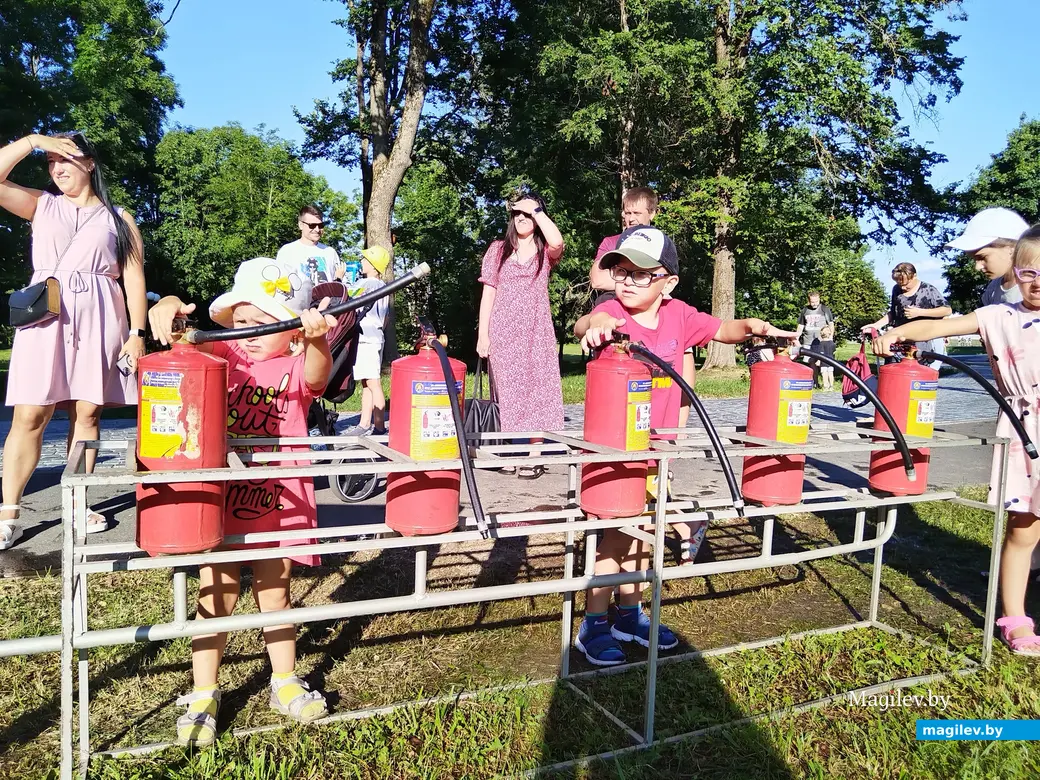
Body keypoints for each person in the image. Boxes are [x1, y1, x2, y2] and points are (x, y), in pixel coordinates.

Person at [573, 226, 793, 665]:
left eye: (640, 274)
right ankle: (593, 622)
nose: (627, 281)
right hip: (616, 452)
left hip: (659, 448)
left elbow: (722, 329)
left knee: (645, 533)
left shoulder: (679, 315)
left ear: (668, 282)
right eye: (620, 271)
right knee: (615, 537)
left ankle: (629, 615)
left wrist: (752, 327)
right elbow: (587, 321)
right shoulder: (612, 312)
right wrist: (596, 323)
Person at [148, 257, 336, 744]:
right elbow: (177, 336)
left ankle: (284, 680)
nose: (248, 333)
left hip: (278, 500)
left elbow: (317, 376)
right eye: (240, 322)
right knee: (216, 594)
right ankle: (204, 690)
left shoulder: (293, 365)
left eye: (263, 324)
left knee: (276, 592)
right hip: (221, 499)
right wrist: (169, 308)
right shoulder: (221, 360)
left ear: (290, 331)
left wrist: (315, 340)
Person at [873, 225, 1040, 656]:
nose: (1037, 283)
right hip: (1028, 432)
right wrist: (897, 334)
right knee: (1025, 529)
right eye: (1028, 274)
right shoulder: (999, 316)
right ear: (1015, 274)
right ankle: (1015, 617)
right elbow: (940, 326)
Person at [0, 131, 147, 550]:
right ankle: (8, 511)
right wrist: (32, 141)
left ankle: (76, 500)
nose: (57, 168)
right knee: (30, 415)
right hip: (47, 315)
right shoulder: (42, 206)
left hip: (101, 316)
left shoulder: (119, 218)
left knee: (87, 416)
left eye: (66, 159)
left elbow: (134, 277)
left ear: (90, 164)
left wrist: (136, 334)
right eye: (51, 161)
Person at [476, 190, 565, 479]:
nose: (523, 219)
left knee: (537, 390)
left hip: (536, 332)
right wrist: (483, 335)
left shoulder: (545, 253)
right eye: (518, 214)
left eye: (529, 214)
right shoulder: (498, 250)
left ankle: (534, 454)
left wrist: (536, 211)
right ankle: (510, 451)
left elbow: (557, 241)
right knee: (508, 393)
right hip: (503, 331)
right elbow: (488, 293)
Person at [861, 263, 951, 370]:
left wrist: (920, 312)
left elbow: (947, 310)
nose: (902, 287)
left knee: (919, 378)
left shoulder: (928, 290)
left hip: (923, 343)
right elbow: (893, 313)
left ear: (915, 276)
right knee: (895, 374)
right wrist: (876, 325)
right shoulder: (896, 290)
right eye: (899, 284)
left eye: (906, 284)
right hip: (900, 342)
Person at [345, 246, 391, 436]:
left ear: (373, 266)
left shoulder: (368, 284)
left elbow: (347, 296)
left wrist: (343, 277)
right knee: (366, 383)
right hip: (375, 336)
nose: (361, 262)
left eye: (365, 260)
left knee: (373, 383)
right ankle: (364, 424)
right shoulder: (383, 286)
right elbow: (386, 317)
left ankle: (379, 427)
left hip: (366, 338)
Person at [946, 207, 1030, 307]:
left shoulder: (1033, 288)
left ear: (1011, 249)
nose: (977, 267)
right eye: (974, 260)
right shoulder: (993, 288)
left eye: (982, 257)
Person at [275, 205, 342, 286]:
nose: (317, 230)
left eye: (320, 225)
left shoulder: (330, 252)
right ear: (301, 225)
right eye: (312, 225)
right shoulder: (287, 251)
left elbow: (340, 285)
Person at [815, 322, 837, 391]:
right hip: (831, 361)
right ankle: (831, 386)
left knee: (824, 374)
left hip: (824, 361)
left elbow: (821, 353)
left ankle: (825, 386)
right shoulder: (832, 343)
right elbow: (834, 351)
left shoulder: (821, 343)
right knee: (830, 373)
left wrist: (818, 361)